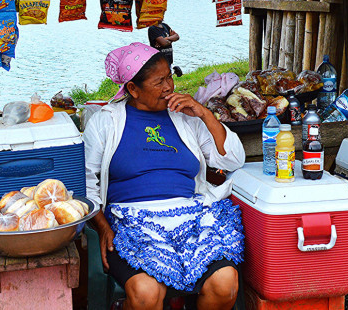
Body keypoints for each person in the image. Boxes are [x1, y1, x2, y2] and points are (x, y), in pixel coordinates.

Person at [84, 42, 245, 310]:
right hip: (132, 222)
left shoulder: (185, 117)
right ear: (133, 89)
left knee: (225, 284)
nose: (169, 87)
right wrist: (102, 227)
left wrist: (204, 113)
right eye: (159, 82)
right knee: (146, 294)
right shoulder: (105, 122)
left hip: (192, 217)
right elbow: (87, 183)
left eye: (170, 76)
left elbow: (233, 159)